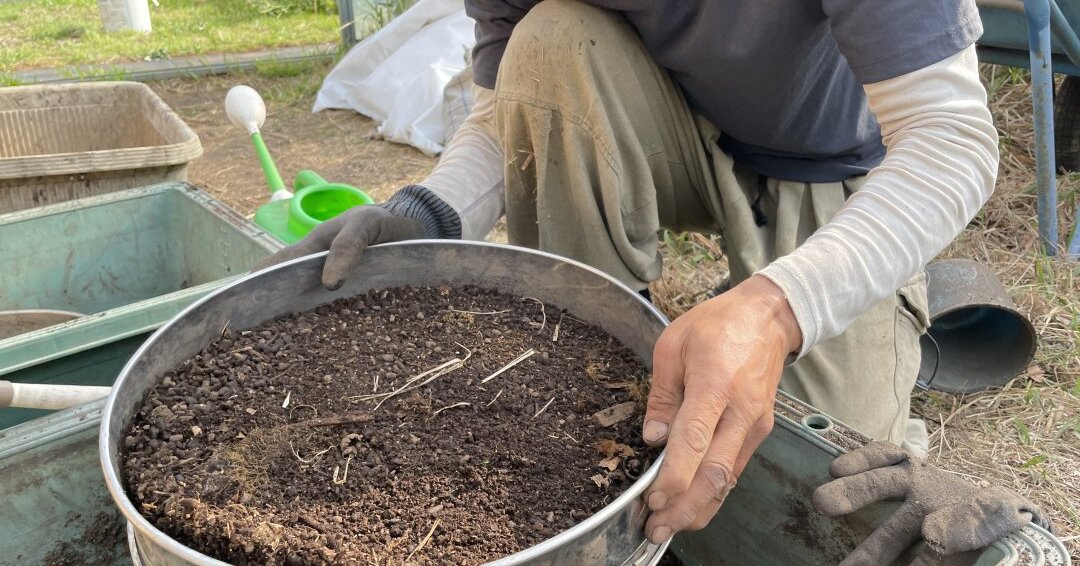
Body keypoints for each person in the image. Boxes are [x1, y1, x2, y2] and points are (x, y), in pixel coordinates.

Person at [261, 1, 1047, 562]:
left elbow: (950, 137)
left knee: (815, 484)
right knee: (552, 36)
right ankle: (595, 399)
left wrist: (779, 308)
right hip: (663, 131)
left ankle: (866, 357)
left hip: (834, 171)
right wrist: (429, 211)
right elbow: (511, 107)